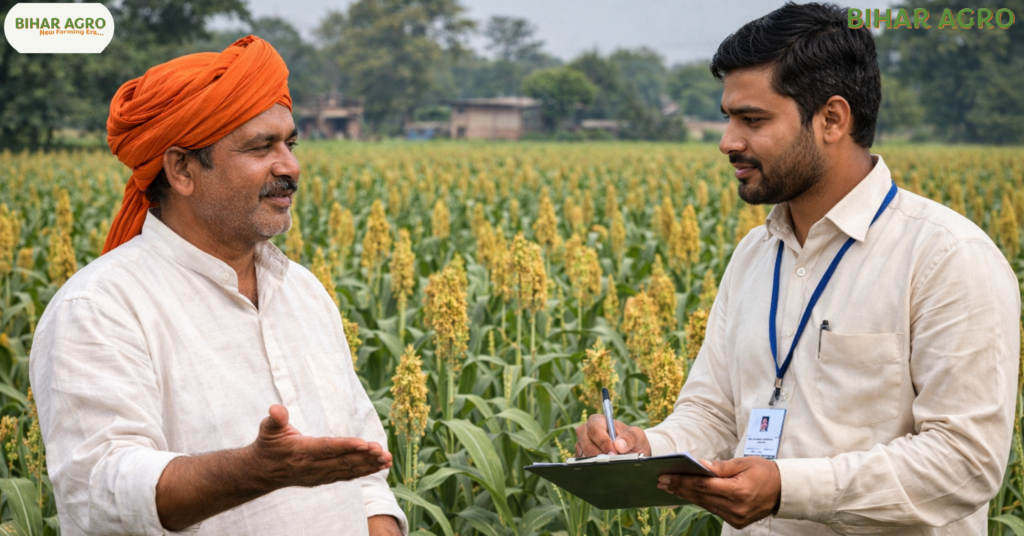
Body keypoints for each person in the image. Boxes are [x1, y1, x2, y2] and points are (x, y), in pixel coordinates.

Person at [575, 3, 1019, 534]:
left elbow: (965, 465)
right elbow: (714, 414)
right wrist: (646, 447)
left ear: (832, 119)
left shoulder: (947, 257)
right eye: (728, 118)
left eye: (753, 120)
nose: (728, 142)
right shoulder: (754, 255)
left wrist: (786, 489)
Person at [29, 36, 407, 536]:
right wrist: (256, 471)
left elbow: (364, 473)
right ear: (182, 169)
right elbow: (101, 495)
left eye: (289, 144)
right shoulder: (100, 307)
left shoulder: (304, 292)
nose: (290, 167)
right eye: (260, 147)